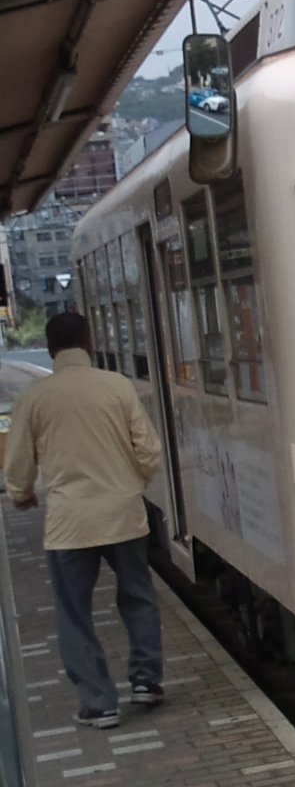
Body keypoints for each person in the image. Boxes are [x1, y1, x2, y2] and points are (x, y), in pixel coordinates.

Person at [4, 311, 164, 728]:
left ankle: (99, 703)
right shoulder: (117, 386)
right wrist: (131, 483)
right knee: (138, 596)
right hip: (123, 515)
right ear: (90, 343)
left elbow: (18, 461)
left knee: (74, 612)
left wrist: (21, 493)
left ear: (50, 349)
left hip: (69, 523)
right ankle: (146, 681)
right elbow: (149, 450)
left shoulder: (35, 398)